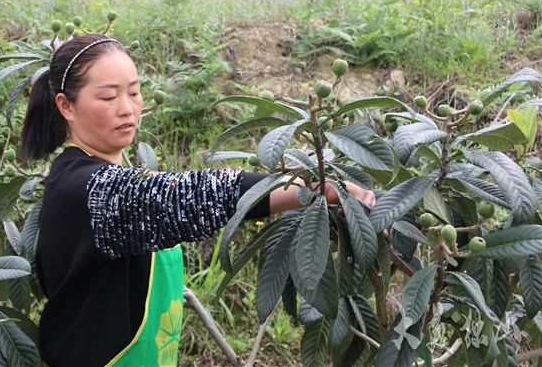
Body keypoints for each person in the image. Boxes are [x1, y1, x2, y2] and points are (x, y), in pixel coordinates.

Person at [19, 34, 376, 367]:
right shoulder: (84, 189)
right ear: (66, 106)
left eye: (135, 92)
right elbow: (191, 197)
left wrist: (319, 190)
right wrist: (313, 186)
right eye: (109, 97)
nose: (128, 109)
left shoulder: (108, 176)